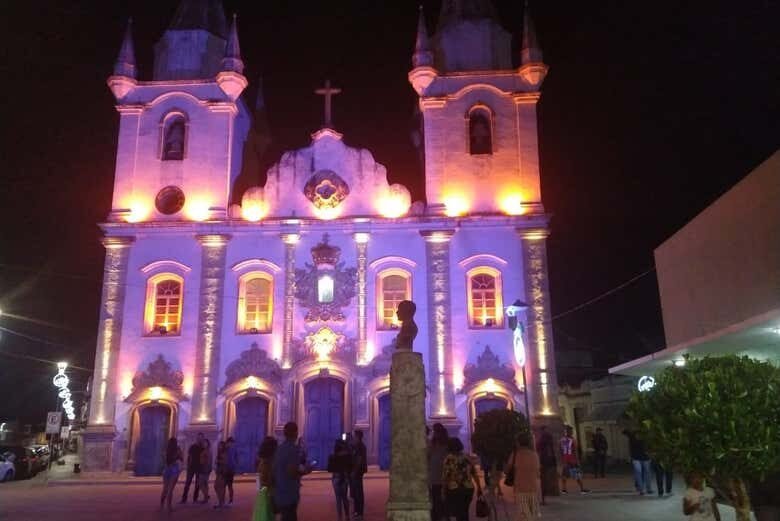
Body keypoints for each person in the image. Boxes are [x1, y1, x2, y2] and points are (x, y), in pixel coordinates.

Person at [273, 422, 313, 521]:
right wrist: (306, 471)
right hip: (289, 493)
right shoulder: (293, 449)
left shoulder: (279, 449)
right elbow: (291, 472)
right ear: (295, 433)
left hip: (280, 491)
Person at [442, 437, 483, 521]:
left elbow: (445, 476)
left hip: (454, 489)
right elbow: (474, 473)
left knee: (458, 513)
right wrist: (479, 487)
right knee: (464, 511)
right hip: (468, 488)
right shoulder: (467, 457)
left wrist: (443, 490)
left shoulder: (448, 459)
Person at [505, 432, 541, 520]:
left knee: (523, 515)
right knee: (533, 514)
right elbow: (537, 472)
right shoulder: (534, 455)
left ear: (518, 442)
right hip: (534, 487)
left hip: (521, 488)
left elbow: (507, 470)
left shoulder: (515, 455)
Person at [252, 436, 278, 521]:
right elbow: (268, 479)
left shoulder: (262, 461)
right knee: (267, 516)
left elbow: (259, 480)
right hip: (268, 492)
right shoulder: (268, 463)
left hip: (262, 492)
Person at [328, 439, 354, 521]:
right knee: (344, 498)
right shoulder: (346, 456)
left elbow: (329, 469)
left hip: (336, 477)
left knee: (338, 499)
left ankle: (340, 517)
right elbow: (351, 465)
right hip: (344, 478)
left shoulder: (332, 456)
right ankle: (347, 516)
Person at [428, 423, 449, 521]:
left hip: (440, 475)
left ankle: (440, 516)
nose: (433, 433)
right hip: (437, 476)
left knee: (439, 498)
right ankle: (440, 516)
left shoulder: (439, 444)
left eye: (434, 431)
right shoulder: (434, 443)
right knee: (438, 498)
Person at [560, 426, 589, 494]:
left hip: (565, 460)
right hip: (572, 460)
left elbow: (560, 451)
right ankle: (582, 489)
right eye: (571, 431)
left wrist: (562, 459)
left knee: (564, 475)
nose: (572, 432)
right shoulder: (573, 440)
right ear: (570, 432)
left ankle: (564, 489)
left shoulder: (562, 440)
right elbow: (575, 451)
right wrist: (578, 461)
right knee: (577, 475)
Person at [623, 429, 653, 495]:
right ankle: (642, 489)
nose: (638, 436)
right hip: (637, 458)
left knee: (646, 473)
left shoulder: (644, 438)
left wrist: (650, 454)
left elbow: (649, 446)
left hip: (644, 457)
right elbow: (626, 433)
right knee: (639, 472)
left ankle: (647, 488)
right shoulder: (632, 438)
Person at [535, 426, 558, 505]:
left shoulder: (542, 440)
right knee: (547, 479)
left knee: (544, 480)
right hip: (549, 460)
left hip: (545, 461)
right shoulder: (549, 439)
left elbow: (537, 448)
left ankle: (544, 498)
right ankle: (548, 495)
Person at [160, 437, 183, 513]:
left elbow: (164, 459)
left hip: (167, 469)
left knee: (165, 489)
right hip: (174, 469)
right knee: (170, 489)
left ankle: (162, 505)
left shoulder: (166, 450)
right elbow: (181, 458)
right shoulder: (177, 450)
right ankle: (169, 506)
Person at [180, 432, 204, 503]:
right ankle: (184, 498)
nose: (199, 439)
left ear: (202, 438)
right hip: (191, 467)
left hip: (199, 467)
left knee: (197, 484)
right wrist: (188, 465)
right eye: (198, 437)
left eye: (201, 437)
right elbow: (189, 456)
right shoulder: (192, 446)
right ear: (197, 438)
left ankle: (195, 498)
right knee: (187, 483)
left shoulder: (203, 448)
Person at [351, 429, 368, 519]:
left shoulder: (360, 446)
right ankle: (357, 511)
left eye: (354, 436)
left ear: (358, 437)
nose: (353, 438)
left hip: (357, 472)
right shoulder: (357, 446)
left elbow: (359, 460)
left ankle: (359, 512)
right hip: (357, 471)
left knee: (358, 493)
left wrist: (354, 471)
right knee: (356, 492)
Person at [224, 437, 239, 504]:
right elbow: (236, 458)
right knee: (227, 485)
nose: (231, 444)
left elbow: (236, 457)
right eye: (231, 443)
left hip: (229, 469)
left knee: (228, 485)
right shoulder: (226, 449)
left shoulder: (231, 448)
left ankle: (230, 499)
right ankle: (228, 499)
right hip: (228, 468)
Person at [197, 438, 212, 504]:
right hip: (204, 468)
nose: (204, 444)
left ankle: (206, 496)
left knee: (201, 483)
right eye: (203, 443)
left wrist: (207, 469)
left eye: (205, 443)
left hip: (204, 469)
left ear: (208, 444)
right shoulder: (205, 450)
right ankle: (205, 497)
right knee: (204, 484)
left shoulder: (207, 451)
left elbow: (208, 461)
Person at [214, 441, 227, 509]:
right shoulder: (220, 453)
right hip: (219, 471)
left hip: (222, 472)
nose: (219, 447)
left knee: (218, 487)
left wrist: (218, 461)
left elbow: (224, 462)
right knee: (218, 487)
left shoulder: (224, 453)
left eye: (221, 445)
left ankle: (221, 503)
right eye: (219, 445)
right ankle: (221, 502)